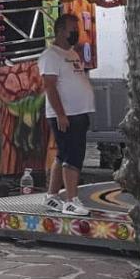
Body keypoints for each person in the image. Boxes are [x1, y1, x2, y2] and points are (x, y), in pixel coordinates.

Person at [39, 13, 96, 216]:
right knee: (73, 156)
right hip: (66, 114)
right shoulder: (50, 56)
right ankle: (71, 200)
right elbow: (50, 87)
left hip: (79, 112)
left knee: (63, 153)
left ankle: (52, 196)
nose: (77, 33)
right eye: (73, 29)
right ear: (61, 30)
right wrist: (61, 114)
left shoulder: (71, 53)